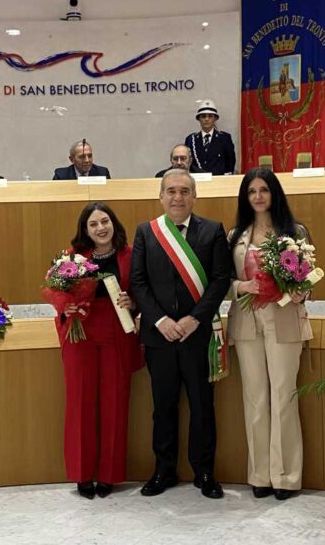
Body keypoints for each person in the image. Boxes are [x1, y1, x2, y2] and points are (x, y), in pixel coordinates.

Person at [130, 169, 231, 499]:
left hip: (197, 335)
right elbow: (139, 283)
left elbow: (219, 281)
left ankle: (204, 471)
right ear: (160, 196)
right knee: (163, 406)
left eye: (184, 191)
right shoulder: (147, 232)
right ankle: (164, 470)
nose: (177, 197)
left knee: (203, 406)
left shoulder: (213, 231)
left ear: (194, 196)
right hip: (159, 337)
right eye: (171, 191)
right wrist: (160, 321)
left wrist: (193, 320)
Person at [226, 167, 314, 501]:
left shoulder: (295, 231)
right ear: (245, 197)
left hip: (285, 318)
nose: (258, 196)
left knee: (283, 396)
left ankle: (286, 477)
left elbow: (309, 277)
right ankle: (260, 475)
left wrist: (298, 290)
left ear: (274, 193)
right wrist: (241, 286)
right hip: (248, 320)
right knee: (256, 399)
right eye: (252, 191)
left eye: (264, 189)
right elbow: (223, 282)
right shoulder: (236, 235)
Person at [57, 202, 143, 499]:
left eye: (104, 221)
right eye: (93, 224)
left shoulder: (131, 256)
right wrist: (64, 304)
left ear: (114, 224)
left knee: (115, 402)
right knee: (80, 401)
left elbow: (141, 291)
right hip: (81, 330)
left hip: (116, 331)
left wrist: (134, 303)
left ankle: (109, 474)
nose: (100, 228)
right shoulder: (72, 259)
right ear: (85, 230)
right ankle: (82, 474)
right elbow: (56, 293)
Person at [184, 100, 236, 175]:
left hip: (219, 181)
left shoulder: (225, 138)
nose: (206, 119)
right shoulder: (190, 140)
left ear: (215, 118)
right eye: (203, 116)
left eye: (210, 116)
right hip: (197, 182)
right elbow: (188, 163)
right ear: (198, 119)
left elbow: (230, 162)